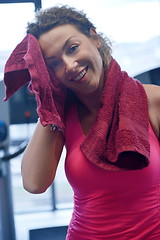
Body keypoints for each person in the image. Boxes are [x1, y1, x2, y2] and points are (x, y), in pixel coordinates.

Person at [9, 5, 160, 239]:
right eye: (54, 64)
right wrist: (49, 102)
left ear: (95, 38)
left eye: (72, 48)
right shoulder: (61, 117)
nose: (69, 66)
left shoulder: (152, 100)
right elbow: (33, 183)